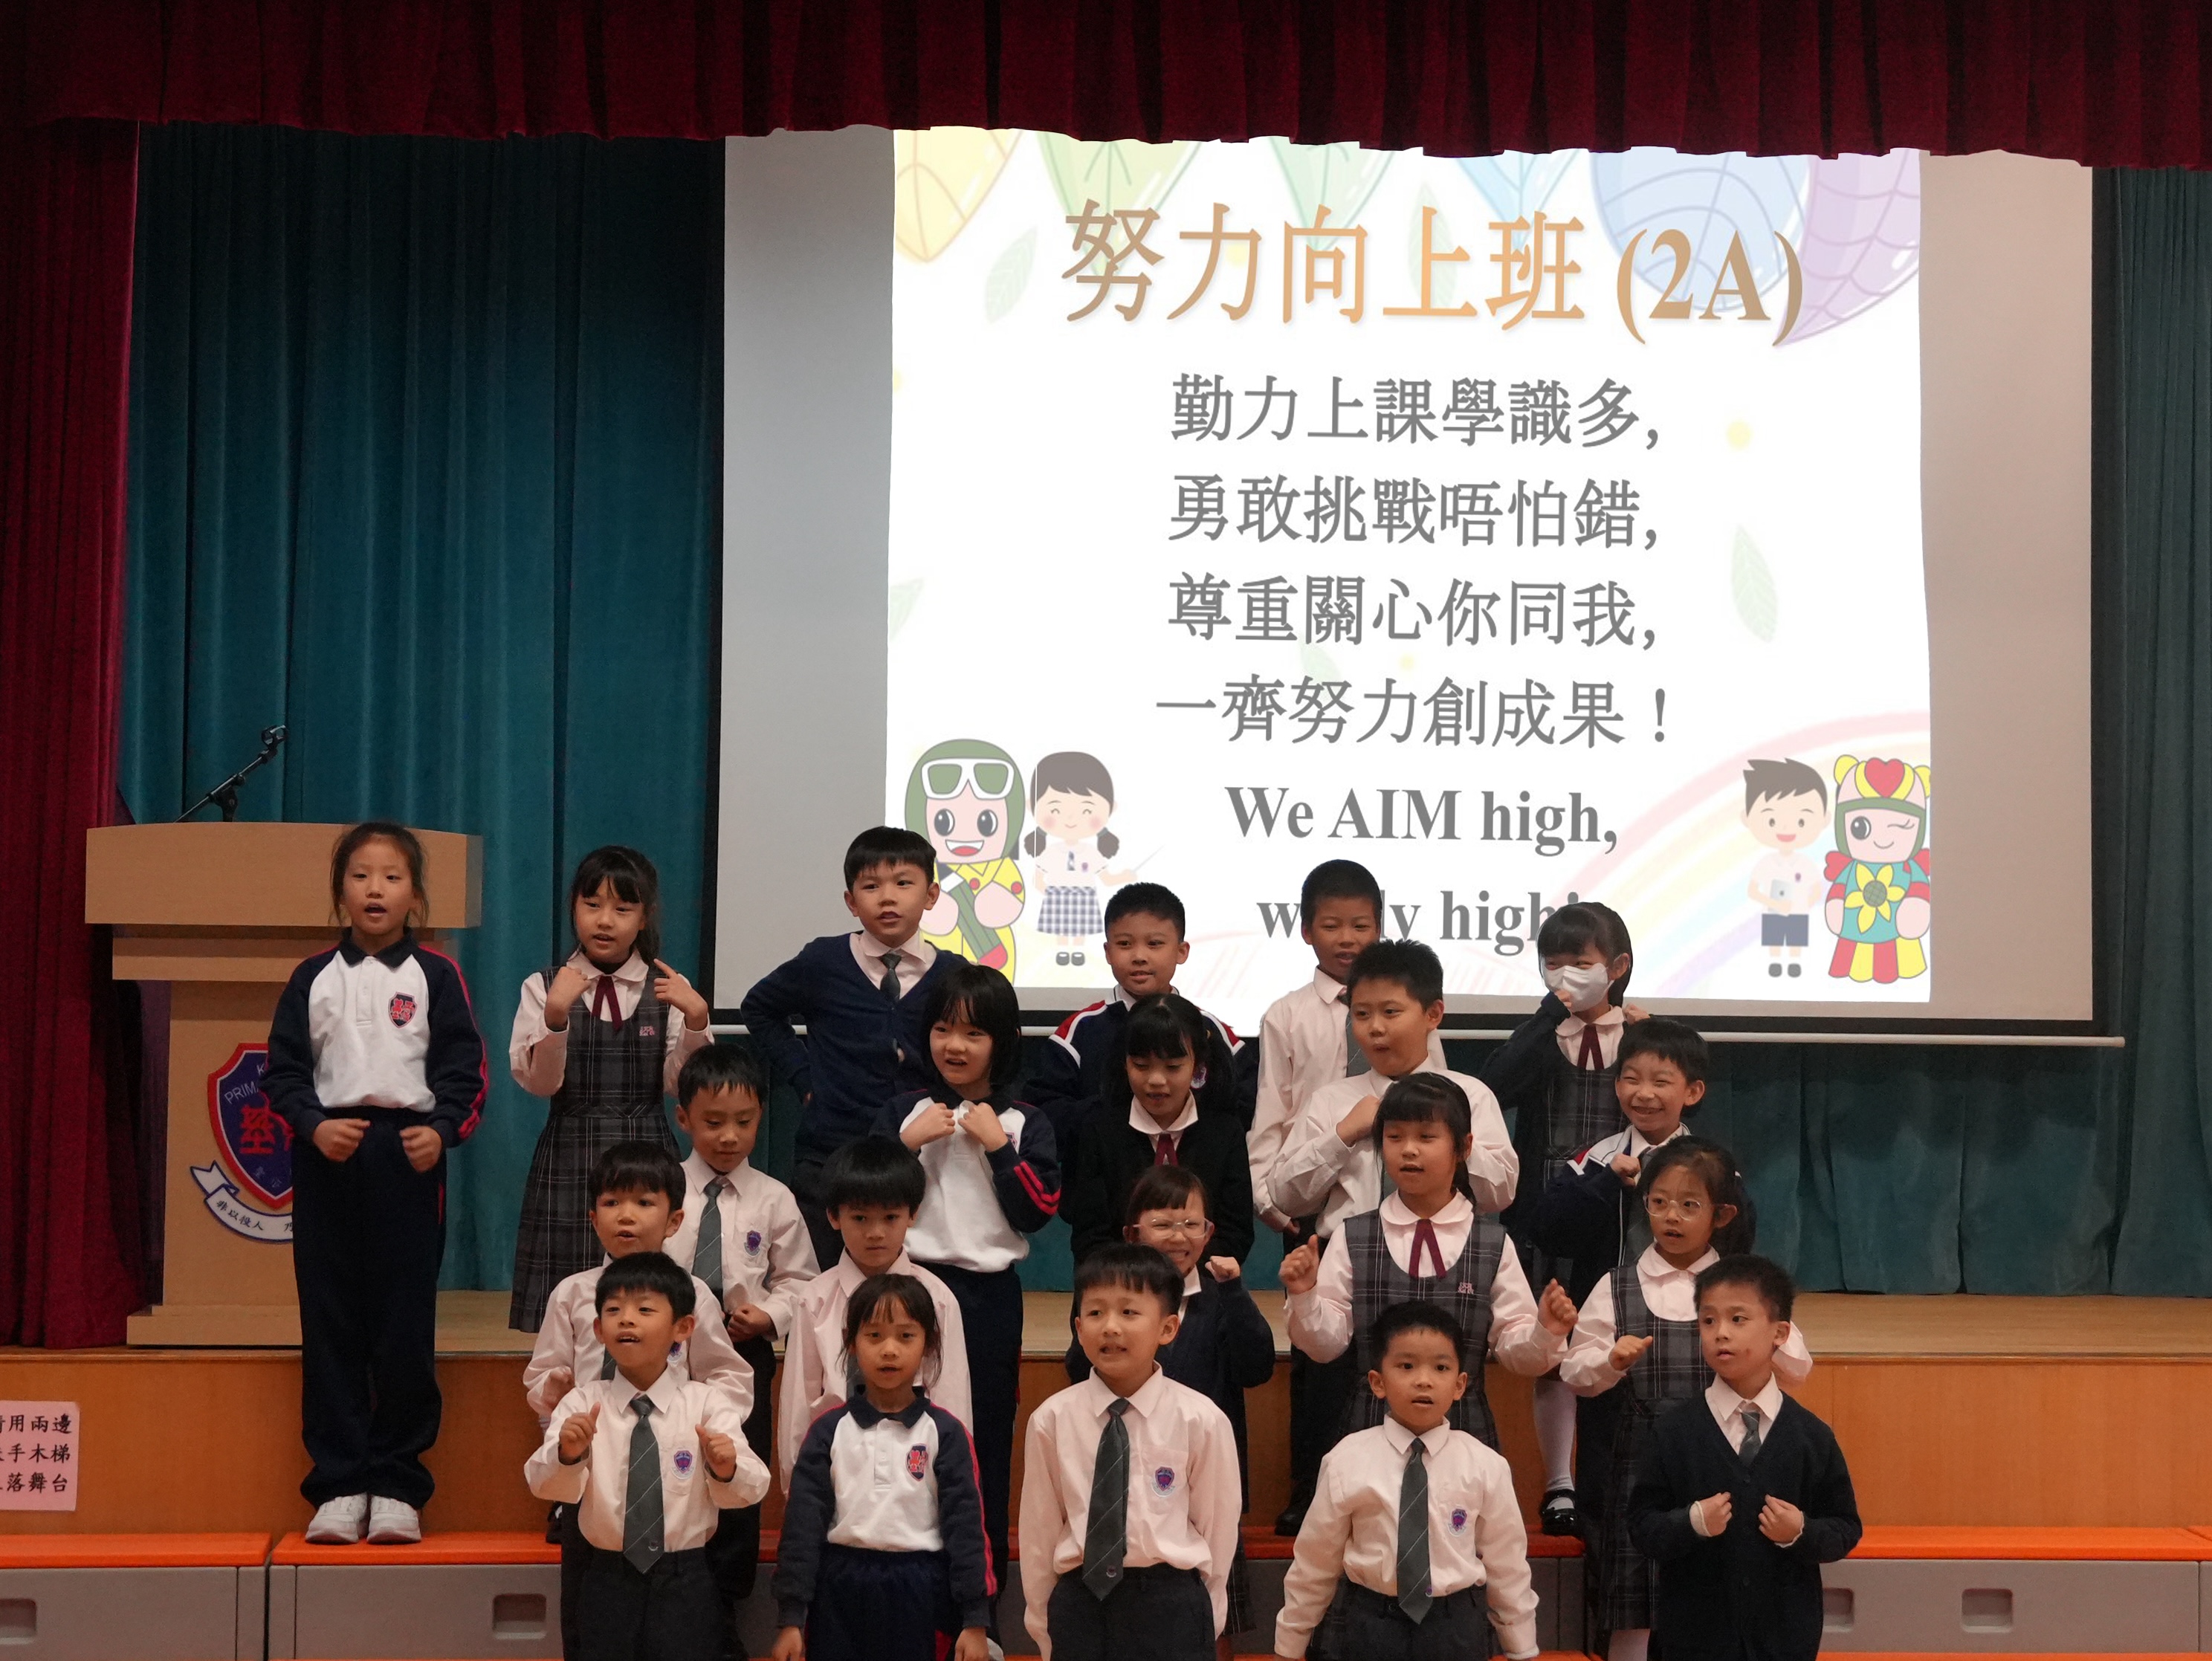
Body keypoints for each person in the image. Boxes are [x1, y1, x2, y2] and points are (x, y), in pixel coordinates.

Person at [265, 821, 486, 1547]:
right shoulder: (312, 977)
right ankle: (337, 1483)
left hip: (406, 1157)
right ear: (340, 894)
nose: (375, 889)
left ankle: (396, 1482)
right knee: (331, 1322)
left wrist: (442, 1130)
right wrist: (312, 1124)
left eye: (392, 877)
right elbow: (282, 1072)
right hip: (329, 1154)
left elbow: (465, 1072)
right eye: (360, 876)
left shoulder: (436, 976)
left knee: (402, 1327)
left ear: (415, 895)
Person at [1246, 863, 1445, 1535]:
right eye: (1331, 925)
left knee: (1407, 1358)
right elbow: (1271, 1117)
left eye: (1360, 924)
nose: (1346, 937)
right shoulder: (1287, 1015)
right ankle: (1312, 1488)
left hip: (1410, 1216)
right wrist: (1278, 1209)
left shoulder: (1413, 1008)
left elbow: (1441, 1111)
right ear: (1306, 930)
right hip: (1317, 1211)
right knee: (1322, 1368)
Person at [1562, 1139, 1811, 1661]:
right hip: (1639, 1472)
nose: (1671, 1216)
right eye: (1659, 1202)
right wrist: (1611, 1360)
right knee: (1634, 1608)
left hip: (1721, 1466)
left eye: (1689, 1204)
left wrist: (1763, 1336)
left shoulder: (1744, 1285)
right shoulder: (1616, 1285)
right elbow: (1575, 1374)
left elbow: (1798, 1369)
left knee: (1715, 1601)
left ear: (1722, 1215)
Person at [872, 962, 1060, 1619]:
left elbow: (1038, 1210)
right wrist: (904, 1143)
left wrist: (1000, 1148)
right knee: (899, 1435)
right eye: (943, 1029)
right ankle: (904, 1597)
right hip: (908, 1293)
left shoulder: (1024, 1120)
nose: (954, 1045)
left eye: (973, 1033)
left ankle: (981, 1611)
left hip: (987, 1302)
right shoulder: (905, 1112)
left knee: (983, 1447)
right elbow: (864, 1192)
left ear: (1001, 1042)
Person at [524, 1144, 756, 1660]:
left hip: (673, 1477)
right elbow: (540, 1378)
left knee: (684, 1628)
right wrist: (556, 1392)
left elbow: (728, 1373)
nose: (626, 1215)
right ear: (593, 1217)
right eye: (612, 1203)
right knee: (588, 1622)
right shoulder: (573, 1293)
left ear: (674, 1220)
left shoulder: (691, 1293)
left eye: (644, 1203)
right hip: (594, 1478)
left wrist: (704, 1420)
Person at [1281, 1072, 1572, 1448]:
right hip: (1370, 1433)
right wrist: (1304, 1295)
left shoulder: (1492, 1243)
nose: (1408, 1150)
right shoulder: (1352, 1236)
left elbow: (1515, 1353)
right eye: (1394, 1137)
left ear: (1464, 1147)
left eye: (1426, 1137)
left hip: (1465, 1435)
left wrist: (1545, 1332)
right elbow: (1326, 1346)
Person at [1063, 1168, 1274, 1657]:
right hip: (1121, 1468)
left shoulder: (1220, 1295)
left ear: (1209, 1231)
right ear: (1132, 1232)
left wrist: (1236, 1292)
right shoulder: (1110, 1300)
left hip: (1200, 1476)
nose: (1178, 1237)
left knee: (1213, 1611)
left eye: (1191, 1224)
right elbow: (1078, 1369)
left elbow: (1257, 1367)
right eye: (1162, 1224)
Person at [1480, 901, 1636, 1535]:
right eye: (1553, 962)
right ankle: (1558, 1483)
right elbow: (1493, 1087)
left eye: (1581, 961)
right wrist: (1549, 1015)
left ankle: (1610, 1473)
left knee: (1605, 1334)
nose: (1566, 973)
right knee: (1554, 1338)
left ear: (1616, 967)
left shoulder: (1642, 1035)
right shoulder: (1543, 1037)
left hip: (1617, 1209)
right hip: (1548, 1205)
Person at [509, 846, 712, 1332]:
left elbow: (679, 1086)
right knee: (567, 1309)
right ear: (574, 907)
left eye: (622, 908)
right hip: (570, 1153)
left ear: (644, 917)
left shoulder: (666, 987)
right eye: (592, 904)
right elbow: (539, 1083)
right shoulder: (544, 986)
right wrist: (554, 1018)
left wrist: (697, 1020)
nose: (605, 920)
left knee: (647, 1300)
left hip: (647, 1149)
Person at [740, 826, 961, 1266]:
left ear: (932, 895)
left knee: (911, 1287)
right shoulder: (824, 961)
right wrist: (804, 1077)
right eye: (871, 886)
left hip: (922, 1158)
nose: (888, 898)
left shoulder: (953, 975)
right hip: (832, 1151)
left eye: (903, 883)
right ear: (851, 901)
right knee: (819, 1278)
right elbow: (759, 1008)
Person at [1274, 1302, 1539, 1661]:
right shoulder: (1346, 1460)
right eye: (1406, 1366)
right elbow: (1315, 1561)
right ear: (1378, 1382)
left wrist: (1521, 1646)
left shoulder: (1485, 1465)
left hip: (1456, 1627)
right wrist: (1290, 1644)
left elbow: (1507, 1563)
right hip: (1370, 1624)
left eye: (1441, 1367)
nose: (1424, 1380)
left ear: (1460, 1385)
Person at [1629, 1255, 1860, 1661]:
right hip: (1691, 1642)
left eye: (1738, 1319)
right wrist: (1690, 1523)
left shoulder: (1811, 1436)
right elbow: (1642, 1527)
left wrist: (1800, 1531)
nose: (1721, 1333)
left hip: (1784, 1642)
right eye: (1708, 1321)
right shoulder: (1674, 1432)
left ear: (1780, 1332)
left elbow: (1844, 1528)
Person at [1019, 1243, 1241, 1661]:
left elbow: (1218, 1529)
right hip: (1080, 1604)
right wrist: (1046, 1632)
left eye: (1129, 1312)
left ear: (1168, 1328)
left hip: (1170, 1605)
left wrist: (1203, 1622)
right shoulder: (1051, 1419)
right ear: (1078, 1327)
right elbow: (1039, 1533)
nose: (1110, 1327)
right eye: (1095, 1313)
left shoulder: (1201, 1420)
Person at [662, 1044, 818, 1622]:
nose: (729, 1136)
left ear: (761, 1118)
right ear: (684, 1118)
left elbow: (802, 1280)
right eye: (713, 1121)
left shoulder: (774, 1197)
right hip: (668, 1356)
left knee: (736, 1466)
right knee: (674, 1466)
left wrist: (770, 1315)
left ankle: (726, 1606)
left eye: (744, 1121)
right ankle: (675, 1595)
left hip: (744, 1352)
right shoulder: (664, 1190)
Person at [771, 1273, 992, 1661]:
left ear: (929, 1344)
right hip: (839, 1593)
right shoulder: (827, 1431)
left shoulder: (946, 1433)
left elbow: (966, 1531)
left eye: (906, 1336)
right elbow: (802, 1529)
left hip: (921, 1593)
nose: (889, 1350)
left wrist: (975, 1620)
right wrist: (791, 1617)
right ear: (851, 1342)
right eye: (874, 1336)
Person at [777, 1136, 972, 1486]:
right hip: (834, 1474)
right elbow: (798, 1408)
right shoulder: (814, 1300)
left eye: (891, 1217)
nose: (876, 1233)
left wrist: (952, 1485)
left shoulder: (937, 1300)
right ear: (834, 1217)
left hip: (915, 1478)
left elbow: (952, 1402)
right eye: (860, 1218)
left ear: (913, 1214)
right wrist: (799, 1491)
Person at [1029, 882, 1252, 1171]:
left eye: (1155, 944)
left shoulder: (1211, 1031)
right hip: (1105, 1182)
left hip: (1197, 1184)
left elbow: (1246, 1111)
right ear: (1108, 952)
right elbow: (1045, 1116)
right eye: (1124, 944)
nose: (1139, 956)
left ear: (1181, 951)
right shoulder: (1079, 1032)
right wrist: (1116, 1112)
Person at [1063, 994, 1255, 1268]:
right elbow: (1090, 1237)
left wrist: (1186, 1274)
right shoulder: (1099, 1129)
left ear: (1198, 1066)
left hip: (1203, 1282)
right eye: (1141, 1066)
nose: (1155, 1080)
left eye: (1173, 1067)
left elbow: (1235, 1233)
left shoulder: (1224, 1131)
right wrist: (1142, 1280)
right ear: (1125, 1063)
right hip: (1118, 1284)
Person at [1530, 1017, 1709, 1301]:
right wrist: (1605, 1183)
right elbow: (1549, 1234)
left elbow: (1735, 1238)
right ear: (1616, 1085)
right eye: (1632, 1079)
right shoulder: (1596, 1160)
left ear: (1692, 1092)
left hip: (1688, 1305)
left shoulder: (1710, 1166)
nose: (1644, 1094)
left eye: (1661, 1082)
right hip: (1605, 1307)